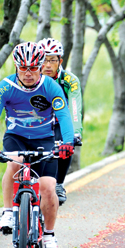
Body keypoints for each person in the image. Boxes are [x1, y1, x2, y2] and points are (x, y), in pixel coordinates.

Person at [0, 42, 75, 248]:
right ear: (16, 66)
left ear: (41, 66)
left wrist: (67, 142)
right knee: (14, 161)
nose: (29, 73)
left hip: (45, 139)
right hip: (16, 137)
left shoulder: (51, 87)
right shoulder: (4, 87)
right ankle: (8, 213)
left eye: (33, 68)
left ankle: (49, 236)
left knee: (49, 187)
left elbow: (63, 116)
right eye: (23, 68)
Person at [38, 38, 83, 206]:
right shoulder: (31, 78)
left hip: (59, 121)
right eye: (44, 59)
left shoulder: (69, 80)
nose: (48, 65)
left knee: (66, 142)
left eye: (52, 60)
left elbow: (75, 108)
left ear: (60, 61)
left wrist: (75, 133)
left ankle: (58, 184)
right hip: (37, 123)